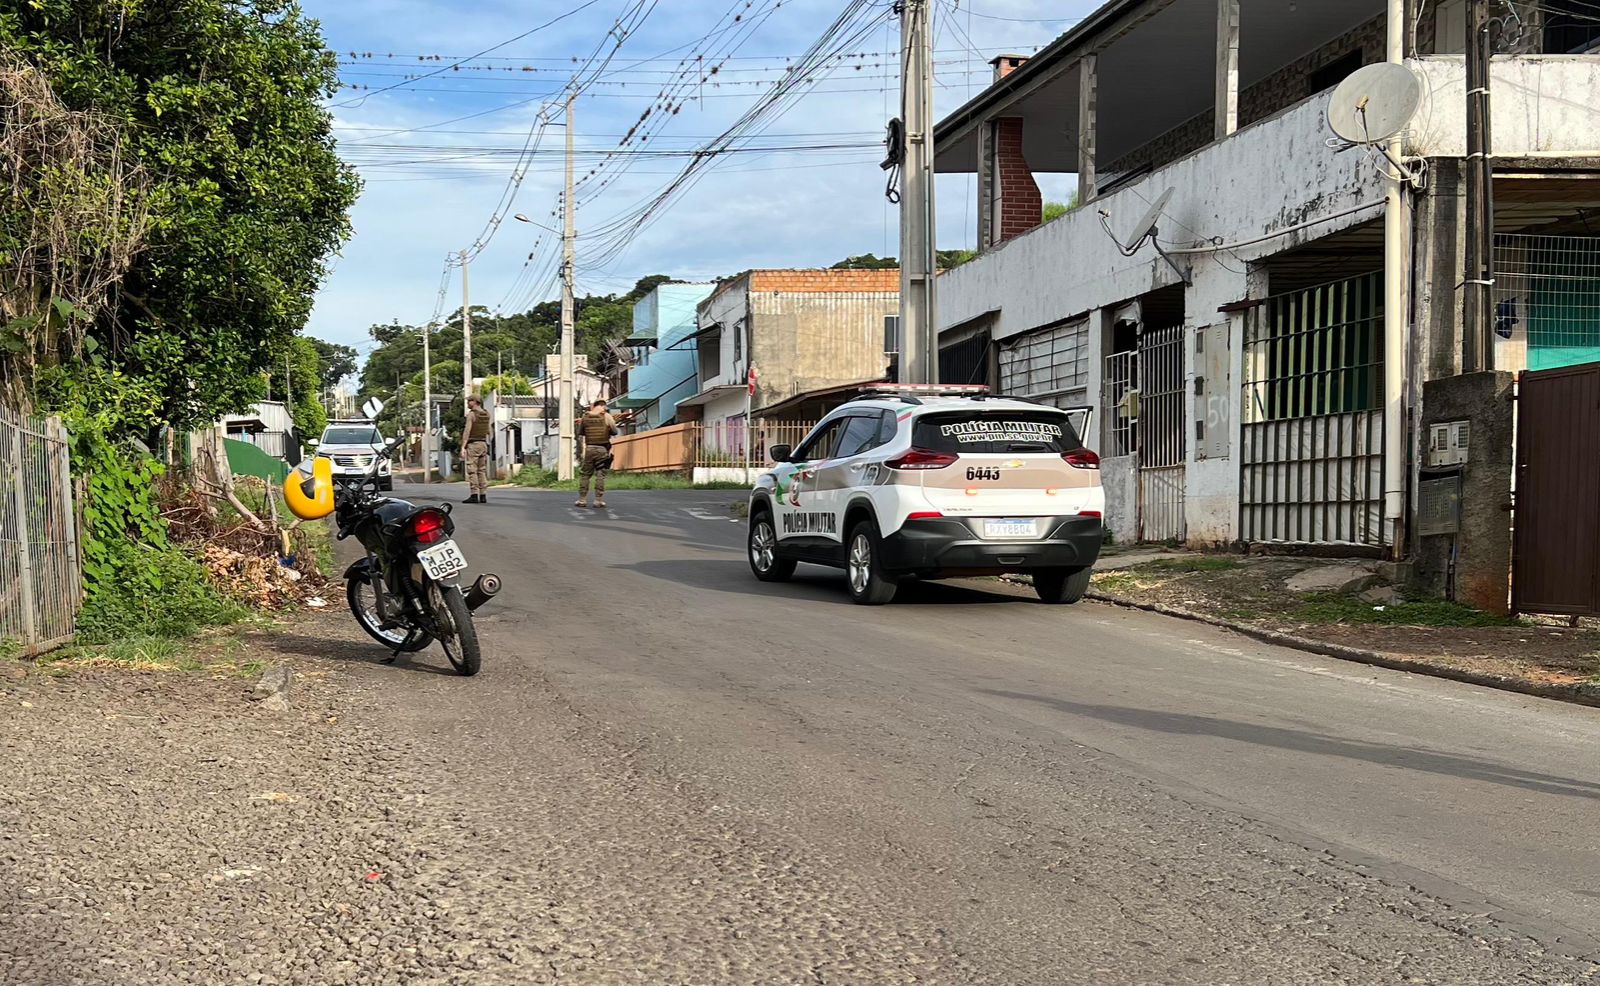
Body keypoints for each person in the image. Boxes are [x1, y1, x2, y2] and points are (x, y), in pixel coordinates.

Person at [576, 398, 622, 509]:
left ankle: (582, 500)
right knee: (600, 475)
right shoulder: (606, 416)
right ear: (603, 405)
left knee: (586, 474)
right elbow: (615, 431)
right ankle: (598, 500)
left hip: (590, 448)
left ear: (594, 405)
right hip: (602, 449)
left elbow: (581, 432)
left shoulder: (585, 416)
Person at [462, 395, 491, 504]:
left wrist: (463, 447)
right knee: (482, 470)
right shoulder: (487, 414)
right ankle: (483, 495)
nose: (468, 403)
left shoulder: (472, 415)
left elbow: (467, 431)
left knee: (472, 470)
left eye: (469, 401)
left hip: (473, 444)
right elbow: (488, 430)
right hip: (483, 443)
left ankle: (474, 494)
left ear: (475, 402)